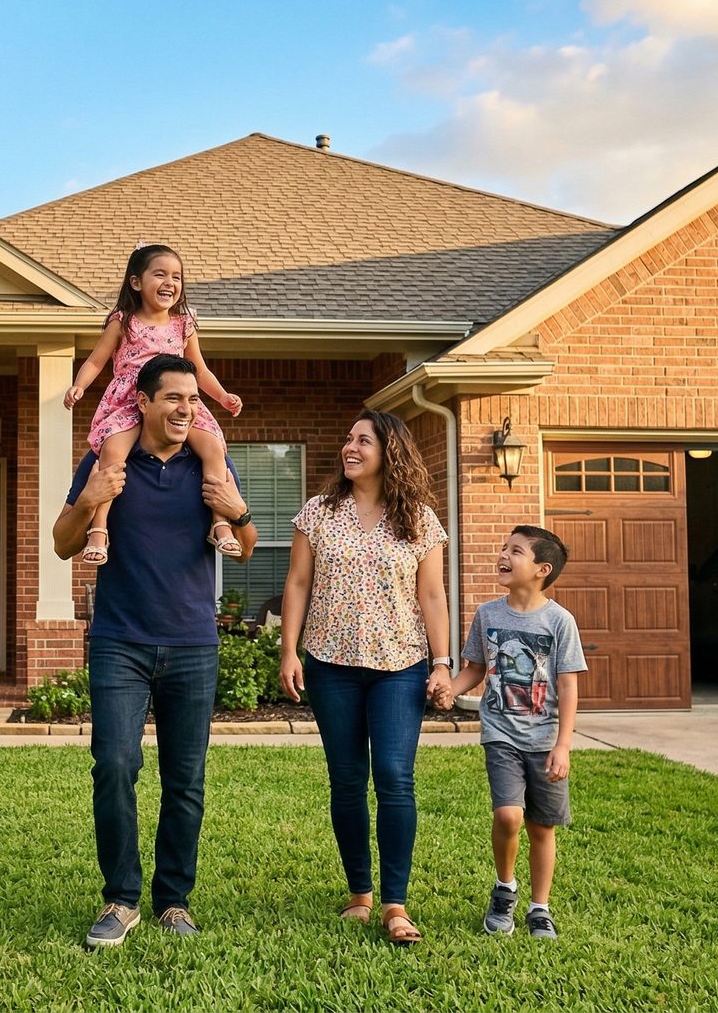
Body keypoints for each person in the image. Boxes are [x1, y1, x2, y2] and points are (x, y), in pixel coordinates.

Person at [53, 352, 257, 949]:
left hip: (193, 642)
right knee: (115, 765)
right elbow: (64, 545)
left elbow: (244, 546)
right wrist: (90, 498)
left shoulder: (207, 461)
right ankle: (120, 898)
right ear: (141, 402)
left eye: (193, 400)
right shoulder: (106, 459)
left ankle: (173, 900)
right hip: (121, 641)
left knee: (185, 779)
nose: (185, 409)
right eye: (173, 398)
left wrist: (236, 511)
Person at [277, 410, 450, 946]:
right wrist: (289, 650)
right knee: (348, 780)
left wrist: (441, 663)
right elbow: (298, 583)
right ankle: (360, 893)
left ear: (389, 451)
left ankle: (395, 905)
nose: (349, 447)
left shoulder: (419, 519)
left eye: (362, 440)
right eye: (348, 438)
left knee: (395, 778)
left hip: (400, 666)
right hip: (331, 665)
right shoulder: (319, 512)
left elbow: (432, 596)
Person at [435, 525, 586, 940]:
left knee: (541, 827)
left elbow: (569, 685)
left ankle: (540, 908)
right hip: (500, 733)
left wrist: (564, 745)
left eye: (515, 551)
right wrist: (451, 688)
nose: (503, 555)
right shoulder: (488, 614)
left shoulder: (560, 621)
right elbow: (475, 670)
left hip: (544, 740)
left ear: (542, 569)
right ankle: (505, 888)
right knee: (508, 815)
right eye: (504, 548)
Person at [63, 243, 243, 567]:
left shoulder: (184, 323)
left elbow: (199, 370)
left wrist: (223, 396)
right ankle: (99, 530)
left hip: (176, 401)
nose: (169, 283)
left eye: (176, 276)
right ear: (136, 282)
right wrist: (78, 386)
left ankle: (220, 523)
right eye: (159, 274)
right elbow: (96, 360)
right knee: (113, 451)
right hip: (131, 400)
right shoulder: (123, 321)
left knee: (214, 448)